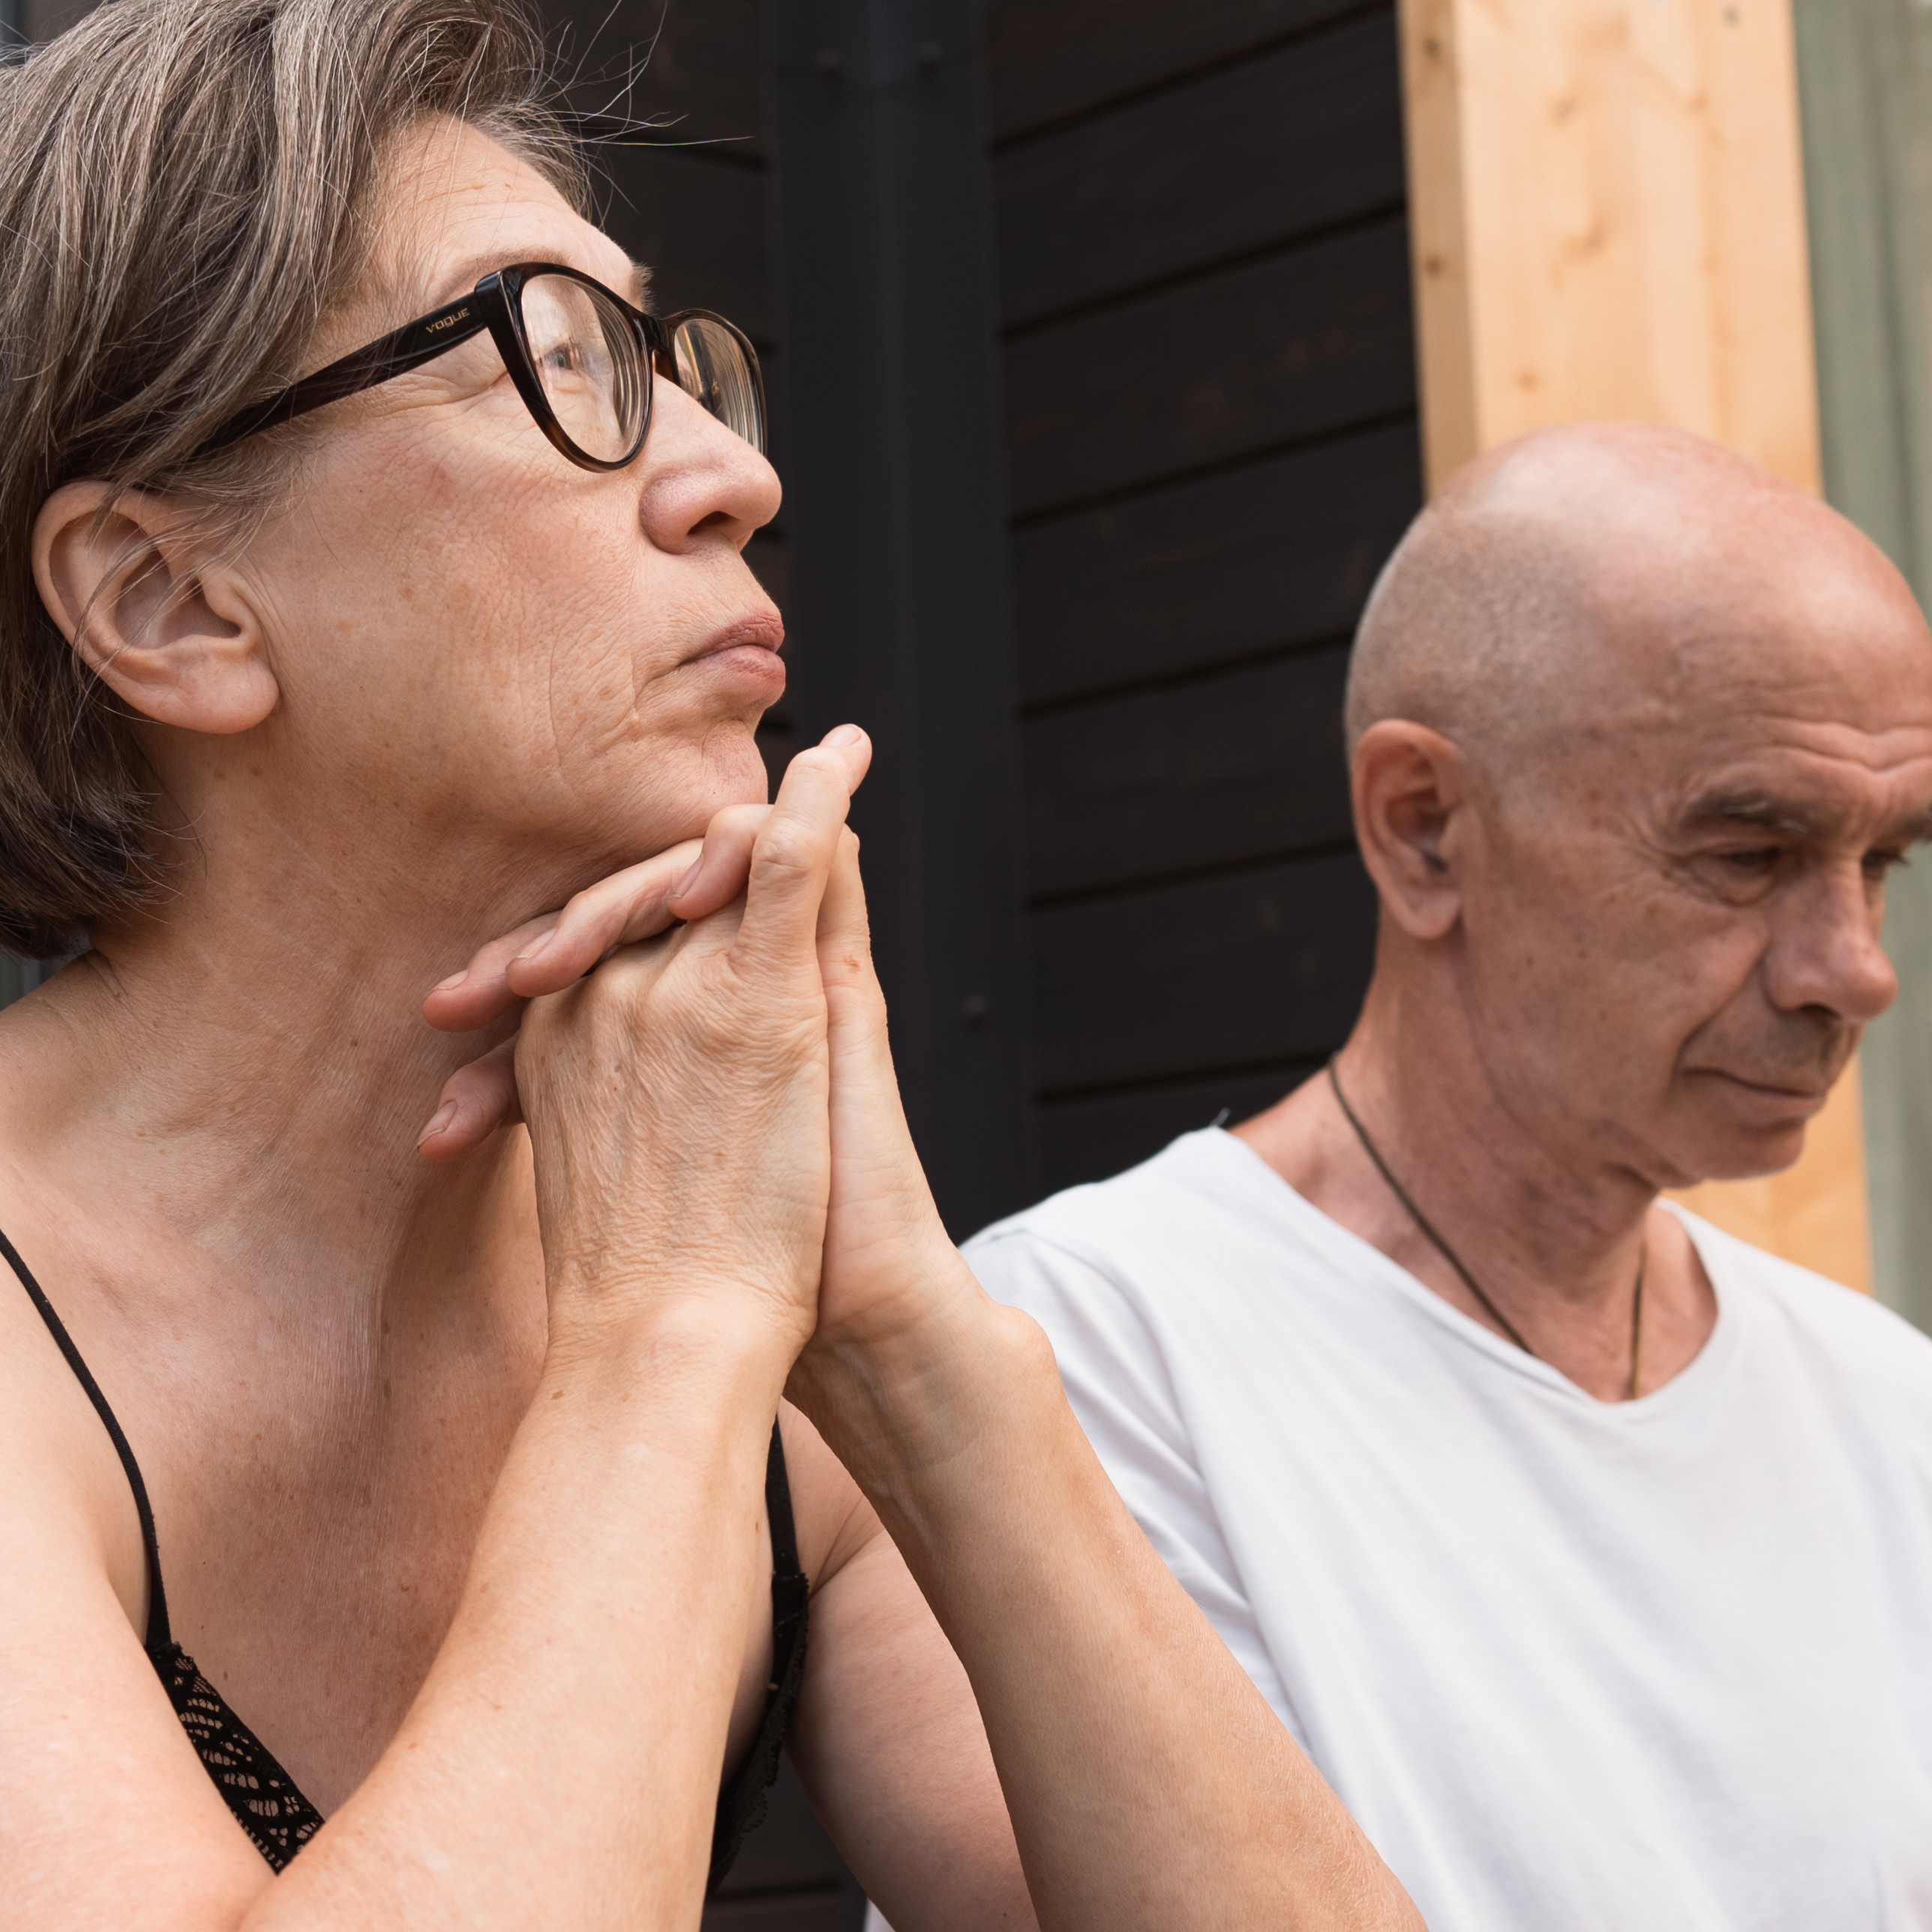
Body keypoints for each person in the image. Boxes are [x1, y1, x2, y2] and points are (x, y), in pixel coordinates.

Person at [0, 3, 1426, 1927]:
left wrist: (913, 1343)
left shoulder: (749, 1304)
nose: (724, 478)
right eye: (549, 361)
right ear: (168, 601)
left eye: (672, 366)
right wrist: (666, 1329)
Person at [967, 424, 1932, 1931]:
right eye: (1750, 850)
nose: (1852, 969)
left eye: (1884, 861)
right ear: (1423, 827)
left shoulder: (1890, 1412)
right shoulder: (1074, 1358)